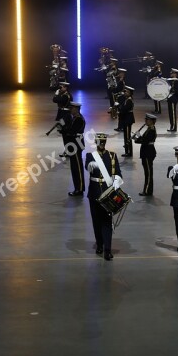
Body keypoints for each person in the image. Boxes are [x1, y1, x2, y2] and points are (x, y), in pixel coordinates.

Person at [85, 133, 123, 261]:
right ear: (96, 143)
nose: (101, 144)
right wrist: (90, 166)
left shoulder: (112, 156)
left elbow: (118, 172)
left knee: (107, 221)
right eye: (99, 142)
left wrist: (117, 180)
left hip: (107, 193)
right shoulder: (90, 156)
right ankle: (99, 244)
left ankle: (107, 249)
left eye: (103, 142)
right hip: (94, 193)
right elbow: (87, 167)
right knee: (96, 221)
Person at [63, 102, 86, 196]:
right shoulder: (75, 118)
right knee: (74, 167)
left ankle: (79, 189)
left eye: (71, 108)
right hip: (74, 144)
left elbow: (72, 131)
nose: (70, 110)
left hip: (76, 144)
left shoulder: (79, 119)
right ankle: (77, 187)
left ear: (76, 109)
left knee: (77, 168)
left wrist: (64, 130)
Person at [135, 114, 157, 196]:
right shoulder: (149, 129)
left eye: (147, 120)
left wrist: (138, 137)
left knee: (148, 173)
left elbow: (145, 141)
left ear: (151, 121)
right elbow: (143, 140)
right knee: (147, 172)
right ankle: (147, 190)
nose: (145, 121)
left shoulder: (151, 130)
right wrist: (136, 139)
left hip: (148, 153)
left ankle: (147, 191)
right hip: (146, 152)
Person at [118, 86, 135, 157]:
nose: (125, 93)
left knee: (128, 137)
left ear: (130, 93)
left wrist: (119, 109)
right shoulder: (126, 99)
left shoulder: (129, 101)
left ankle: (129, 152)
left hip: (128, 120)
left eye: (127, 92)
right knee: (126, 136)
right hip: (126, 119)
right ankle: (127, 151)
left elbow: (124, 109)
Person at [166, 68, 178, 132]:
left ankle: (174, 127)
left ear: (175, 74)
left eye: (172, 73)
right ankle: (172, 126)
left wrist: (172, 90)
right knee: (170, 113)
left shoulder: (176, 81)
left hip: (173, 99)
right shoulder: (171, 81)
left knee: (173, 113)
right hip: (170, 99)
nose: (171, 74)